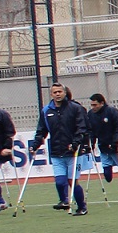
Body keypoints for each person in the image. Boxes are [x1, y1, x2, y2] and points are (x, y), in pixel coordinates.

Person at [30, 83, 90, 214]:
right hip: (56, 152)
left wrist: (75, 143)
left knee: (72, 181)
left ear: (64, 93)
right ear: (51, 94)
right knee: (59, 181)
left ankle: (82, 207)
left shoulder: (75, 108)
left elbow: (81, 128)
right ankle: (64, 201)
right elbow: (41, 131)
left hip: (73, 152)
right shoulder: (46, 111)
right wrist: (35, 145)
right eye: (55, 92)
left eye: (59, 91)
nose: (57, 94)